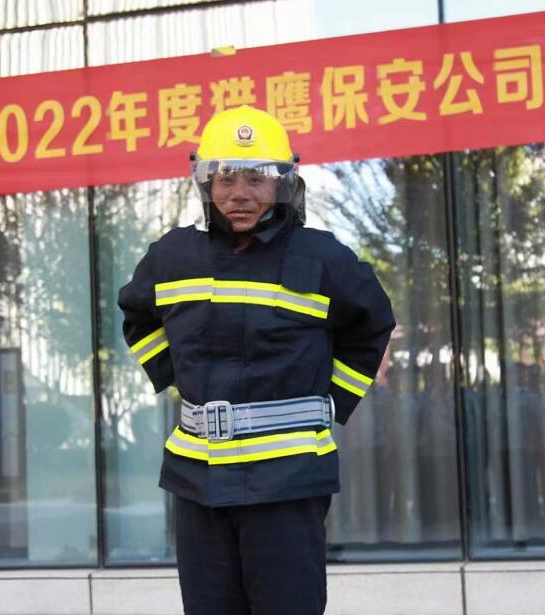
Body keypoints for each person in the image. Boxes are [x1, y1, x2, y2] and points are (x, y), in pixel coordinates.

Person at [117, 105, 395, 615]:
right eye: (225, 179)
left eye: (256, 178)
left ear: (284, 183)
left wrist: (332, 399)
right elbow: (137, 316)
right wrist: (180, 377)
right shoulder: (172, 257)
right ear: (205, 182)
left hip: (288, 481)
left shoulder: (324, 258)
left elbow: (372, 324)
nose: (239, 194)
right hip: (197, 478)